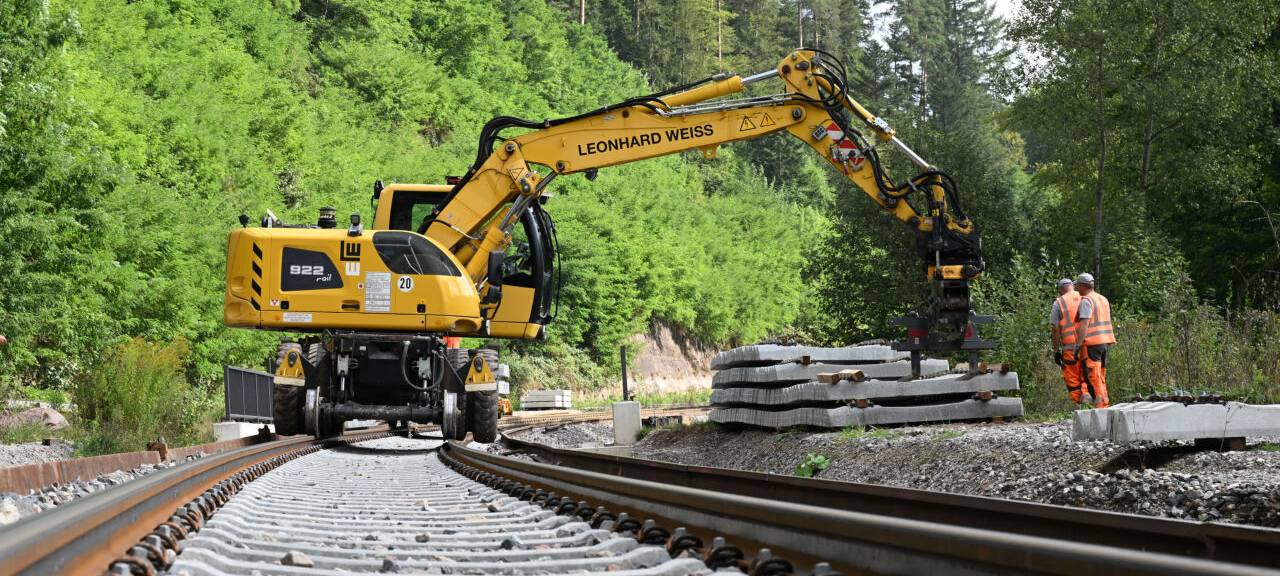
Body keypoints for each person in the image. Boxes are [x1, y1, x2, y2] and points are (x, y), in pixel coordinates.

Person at [1072, 273, 1115, 408]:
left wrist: (1078, 344)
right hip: (1105, 342)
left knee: (1093, 375)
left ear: (1084, 286)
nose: (1076, 287)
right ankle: (1104, 403)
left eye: (1077, 284)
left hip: (1093, 344)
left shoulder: (1087, 301)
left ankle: (1101, 407)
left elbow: (1084, 324)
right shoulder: (1102, 299)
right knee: (1100, 375)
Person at [1049, 279, 1086, 406]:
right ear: (1072, 286)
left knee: (1073, 379)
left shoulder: (1058, 303)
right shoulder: (1084, 296)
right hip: (1087, 345)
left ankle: (1079, 406)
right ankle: (1089, 402)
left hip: (1070, 348)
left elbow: (1055, 329)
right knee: (1087, 374)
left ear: (1060, 290)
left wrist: (1056, 350)